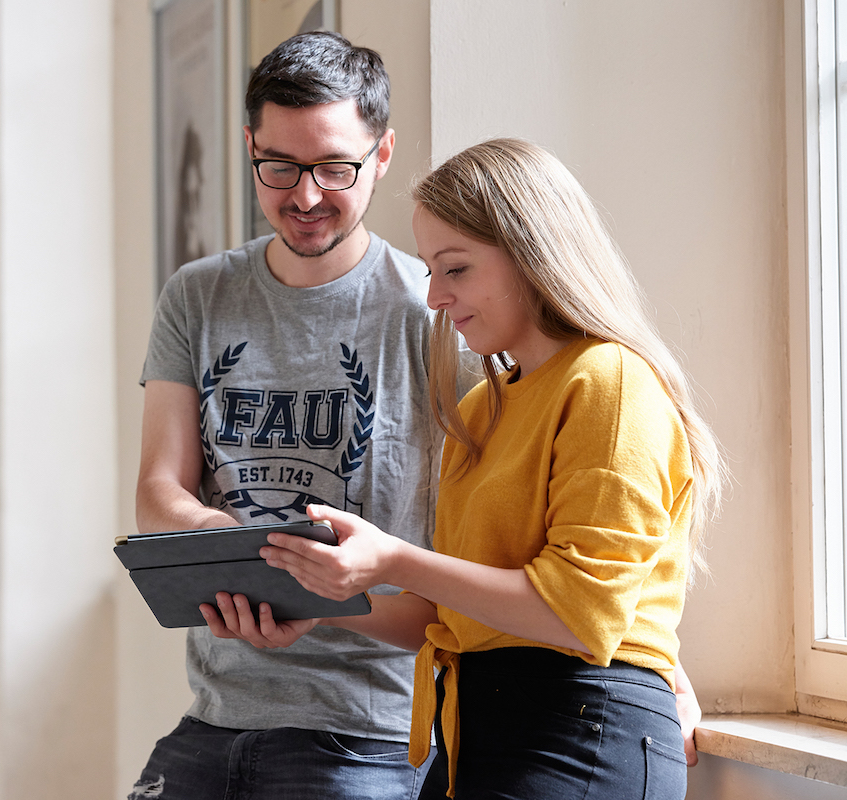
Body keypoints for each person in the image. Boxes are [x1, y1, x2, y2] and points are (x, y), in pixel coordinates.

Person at [209, 138, 724, 799]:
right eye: (429, 271)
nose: (434, 298)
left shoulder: (610, 382)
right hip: (476, 735)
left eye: (455, 269)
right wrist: (322, 594)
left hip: (581, 733)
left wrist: (393, 560)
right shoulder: (481, 410)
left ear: (533, 256)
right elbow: (445, 612)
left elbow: (579, 616)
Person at [131, 31, 448, 800]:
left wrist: (319, 596)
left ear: (382, 154)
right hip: (214, 714)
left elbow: (479, 564)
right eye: (278, 167)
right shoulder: (197, 295)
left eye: (335, 167)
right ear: (249, 147)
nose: (304, 197)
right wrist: (229, 548)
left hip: (365, 733)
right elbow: (157, 495)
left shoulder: (435, 314)